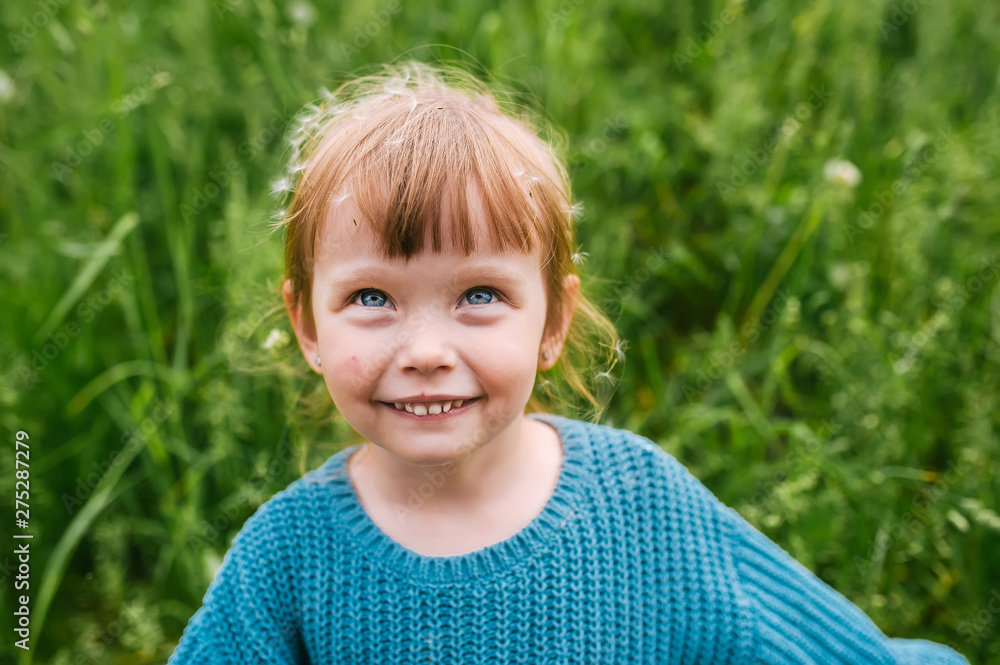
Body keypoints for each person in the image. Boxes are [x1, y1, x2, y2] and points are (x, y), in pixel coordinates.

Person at [167, 61, 969, 664]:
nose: (424, 353)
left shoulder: (641, 502)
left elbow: (828, 650)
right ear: (307, 323)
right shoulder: (290, 554)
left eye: (479, 293)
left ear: (553, 320)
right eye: (373, 298)